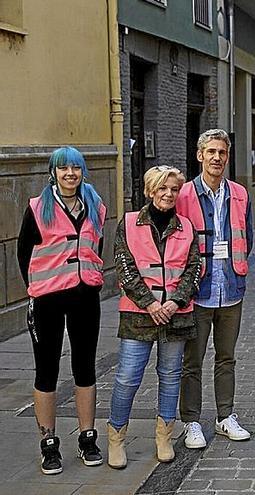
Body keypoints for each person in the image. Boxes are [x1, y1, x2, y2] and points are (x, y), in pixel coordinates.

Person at [17, 147, 107, 474]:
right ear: (52, 172)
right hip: (48, 300)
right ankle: (49, 443)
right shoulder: (38, 208)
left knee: (85, 368)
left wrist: (92, 279)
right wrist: (37, 289)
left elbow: (96, 245)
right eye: (63, 168)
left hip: (85, 297)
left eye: (76, 168)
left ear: (83, 171)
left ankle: (87, 437)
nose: (70, 173)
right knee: (47, 370)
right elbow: (23, 253)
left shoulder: (95, 205)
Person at [107, 166, 201, 468]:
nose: (168, 194)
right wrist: (150, 304)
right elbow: (125, 268)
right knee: (127, 377)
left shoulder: (186, 226)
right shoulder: (129, 223)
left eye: (174, 189)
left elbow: (193, 269)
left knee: (171, 376)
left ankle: (164, 436)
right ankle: (116, 438)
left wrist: (174, 302)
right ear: (150, 191)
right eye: (162, 188)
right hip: (138, 315)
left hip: (177, 314)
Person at [177, 129, 255, 449]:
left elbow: (246, 237)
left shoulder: (239, 193)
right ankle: (192, 421)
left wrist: (236, 265)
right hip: (198, 292)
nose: (217, 158)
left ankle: (225, 416)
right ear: (200, 155)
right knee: (191, 361)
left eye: (222, 152)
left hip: (231, 288)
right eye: (211, 152)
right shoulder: (183, 195)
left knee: (227, 358)